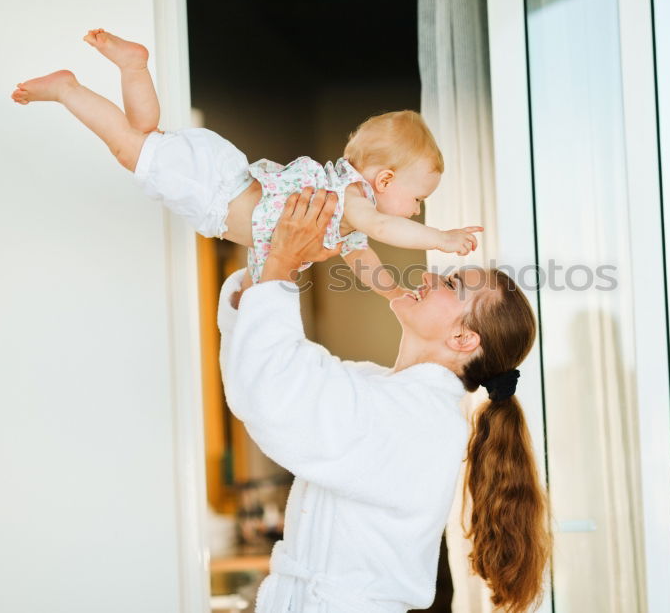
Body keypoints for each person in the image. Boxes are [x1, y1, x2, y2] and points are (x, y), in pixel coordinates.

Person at [219, 187, 552, 612]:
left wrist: (281, 265)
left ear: (463, 338)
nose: (428, 277)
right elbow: (256, 383)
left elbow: (277, 394)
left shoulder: (419, 421)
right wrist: (265, 262)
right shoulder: (380, 389)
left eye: (450, 284)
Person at [10, 29, 482, 296]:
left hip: (218, 184)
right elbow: (387, 232)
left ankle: (133, 67)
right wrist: (440, 239)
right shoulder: (355, 200)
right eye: (418, 198)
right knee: (130, 148)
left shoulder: (347, 221)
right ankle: (69, 89)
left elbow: (365, 262)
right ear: (383, 179)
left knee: (144, 135)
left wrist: (395, 294)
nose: (417, 210)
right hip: (217, 189)